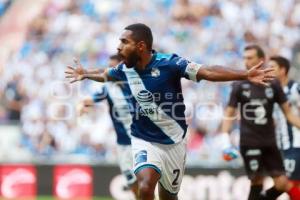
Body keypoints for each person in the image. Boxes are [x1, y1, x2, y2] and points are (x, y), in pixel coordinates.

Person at [65, 23, 275, 200]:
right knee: (145, 186)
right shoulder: (124, 69)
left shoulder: (171, 63)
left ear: (140, 46)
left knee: (169, 196)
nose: (119, 47)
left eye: (124, 42)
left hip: (174, 141)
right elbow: (106, 74)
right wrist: (86, 74)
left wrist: (244, 75)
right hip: (143, 139)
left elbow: (208, 71)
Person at [221, 45, 300, 200]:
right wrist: (225, 140)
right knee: (257, 182)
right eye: (244, 58)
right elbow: (229, 113)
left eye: (250, 58)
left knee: (282, 183)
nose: (246, 61)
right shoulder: (239, 85)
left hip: (270, 142)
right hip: (250, 141)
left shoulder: (274, 84)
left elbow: (289, 113)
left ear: (261, 60)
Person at [77, 55, 138, 198]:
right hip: (123, 144)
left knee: (146, 181)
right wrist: (82, 105)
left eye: (113, 67)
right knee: (132, 182)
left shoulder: (135, 83)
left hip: (141, 141)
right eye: (108, 67)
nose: (109, 70)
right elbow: (89, 100)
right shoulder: (108, 89)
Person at [270, 55, 300, 200]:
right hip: (281, 145)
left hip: (296, 144)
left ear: (282, 70)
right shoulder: (272, 91)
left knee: (286, 183)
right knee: (292, 184)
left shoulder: (296, 89)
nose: (268, 71)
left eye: (272, 67)